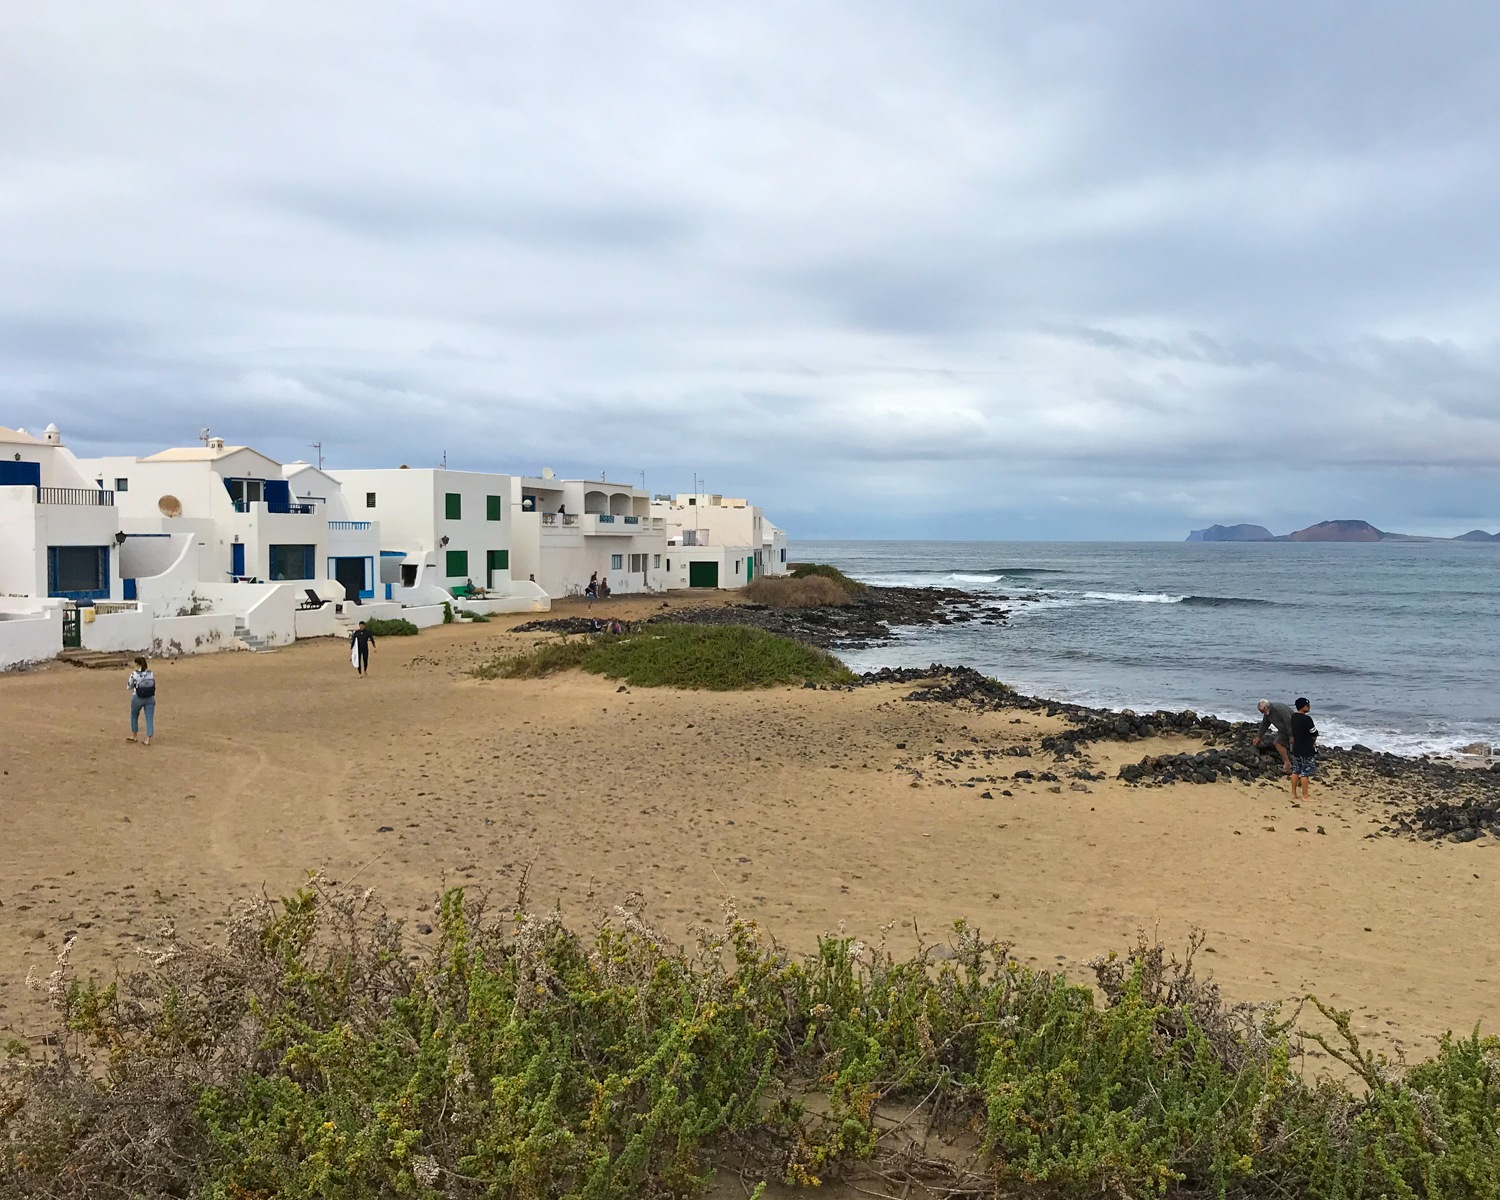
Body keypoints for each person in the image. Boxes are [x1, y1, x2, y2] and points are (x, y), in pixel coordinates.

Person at [1289, 696, 1318, 799]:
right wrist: (1313, 741)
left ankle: (1294, 794)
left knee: (1296, 770)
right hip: (1306, 748)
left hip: (1296, 748)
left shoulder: (1293, 717)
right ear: (1303, 707)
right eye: (1307, 705)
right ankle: (1305, 796)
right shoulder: (1307, 719)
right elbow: (1314, 732)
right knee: (1305, 772)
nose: (1309, 707)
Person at [1255, 699, 1295, 773]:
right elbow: (1264, 724)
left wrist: (1291, 736)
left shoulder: (1279, 709)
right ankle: (1287, 763)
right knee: (1277, 742)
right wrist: (1259, 737)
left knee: (1296, 747)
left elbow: (1289, 722)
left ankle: (1303, 765)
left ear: (1266, 707)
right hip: (1283, 731)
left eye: (1262, 711)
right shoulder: (1267, 713)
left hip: (1295, 729)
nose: (1262, 713)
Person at [126, 656, 156, 746]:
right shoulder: (150, 673)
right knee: (149, 717)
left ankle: (134, 735)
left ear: (137, 664)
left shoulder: (134, 674)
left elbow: (129, 686)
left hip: (138, 697)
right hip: (150, 697)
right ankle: (148, 738)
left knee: (134, 715)